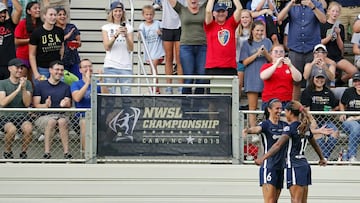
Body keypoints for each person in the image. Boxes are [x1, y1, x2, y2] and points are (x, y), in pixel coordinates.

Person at [255, 100, 330, 203]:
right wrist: (321, 158)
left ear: (290, 112)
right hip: (304, 165)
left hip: (294, 166)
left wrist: (263, 158)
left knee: (295, 200)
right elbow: (314, 144)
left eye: (285, 111)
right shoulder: (304, 127)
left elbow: (277, 145)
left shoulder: (289, 128)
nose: (284, 114)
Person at [277, 0, 326, 101]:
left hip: (312, 49)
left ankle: (310, 108)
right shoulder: (292, 5)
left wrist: (312, 6)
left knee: (314, 80)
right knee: (295, 81)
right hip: (295, 48)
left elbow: (323, 20)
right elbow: (279, 19)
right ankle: (295, 108)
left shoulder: (317, 4)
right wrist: (290, 4)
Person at [243, 98, 288, 203]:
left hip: (280, 166)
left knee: (275, 200)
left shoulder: (284, 125)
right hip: (269, 166)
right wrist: (248, 130)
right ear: (269, 109)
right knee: (269, 201)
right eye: (277, 108)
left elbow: (296, 129)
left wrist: (318, 131)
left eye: (281, 108)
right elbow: (257, 129)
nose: (279, 111)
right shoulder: (266, 124)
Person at [33, 60, 72, 159]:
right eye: (57, 69)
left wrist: (66, 103)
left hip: (61, 116)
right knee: (51, 122)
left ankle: (67, 153)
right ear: (50, 70)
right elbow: (36, 104)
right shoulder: (40, 85)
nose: (59, 72)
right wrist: (45, 105)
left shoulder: (66, 87)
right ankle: (47, 153)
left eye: (61, 70)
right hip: (44, 117)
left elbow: (68, 103)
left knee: (62, 121)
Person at [168, 0, 207, 94]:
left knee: (201, 77)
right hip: (186, 47)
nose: (193, 0)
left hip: (202, 47)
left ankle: (199, 105)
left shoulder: (204, 8)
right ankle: (186, 105)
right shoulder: (182, 9)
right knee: (188, 77)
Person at [239, 20, 272, 127]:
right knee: (252, 106)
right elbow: (244, 62)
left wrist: (265, 53)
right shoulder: (246, 44)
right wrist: (257, 54)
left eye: (262, 30)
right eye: (257, 30)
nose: (259, 32)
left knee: (268, 106)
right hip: (252, 77)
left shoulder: (267, 42)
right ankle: (253, 129)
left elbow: (272, 60)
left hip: (266, 77)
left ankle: (268, 127)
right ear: (252, 31)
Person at [301, 71, 339, 160]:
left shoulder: (328, 92)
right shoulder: (307, 92)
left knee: (335, 133)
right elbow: (305, 110)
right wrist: (312, 121)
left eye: (322, 78)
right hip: (312, 121)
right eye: (317, 78)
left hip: (326, 121)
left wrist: (331, 110)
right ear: (313, 78)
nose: (320, 80)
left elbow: (336, 106)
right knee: (318, 134)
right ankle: (324, 158)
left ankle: (324, 157)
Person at [71, 59, 108, 151]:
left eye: (90, 66)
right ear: (80, 70)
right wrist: (87, 82)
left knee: (116, 119)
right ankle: (86, 153)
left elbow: (106, 97)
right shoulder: (76, 84)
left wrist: (101, 81)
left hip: (97, 115)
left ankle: (103, 149)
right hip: (82, 116)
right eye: (85, 67)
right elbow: (77, 98)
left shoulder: (98, 83)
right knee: (85, 123)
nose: (88, 68)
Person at [0, 58, 32, 159]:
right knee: (12, 129)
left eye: (21, 68)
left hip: (22, 116)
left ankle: (23, 153)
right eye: (17, 67)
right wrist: (17, 89)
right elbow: (3, 102)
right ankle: (8, 152)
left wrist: (23, 88)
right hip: (5, 117)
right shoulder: (2, 83)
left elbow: (27, 103)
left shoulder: (27, 84)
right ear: (10, 68)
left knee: (28, 128)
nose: (20, 70)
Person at [320, 2, 357, 86]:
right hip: (325, 56)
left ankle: (338, 83)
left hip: (336, 56)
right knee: (331, 70)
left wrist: (338, 34)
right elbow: (319, 43)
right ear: (328, 12)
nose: (335, 13)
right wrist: (329, 37)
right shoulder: (322, 24)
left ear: (339, 13)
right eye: (333, 11)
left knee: (354, 72)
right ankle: (329, 87)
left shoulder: (340, 26)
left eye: (337, 11)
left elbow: (341, 47)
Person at [102, 1, 134, 94]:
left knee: (127, 97)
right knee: (110, 97)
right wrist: (116, 35)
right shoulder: (106, 27)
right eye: (115, 11)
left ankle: (127, 109)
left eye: (120, 11)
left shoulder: (129, 27)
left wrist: (126, 36)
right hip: (110, 65)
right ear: (111, 12)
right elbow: (107, 47)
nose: (118, 13)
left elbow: (131, 48)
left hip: (126, 66)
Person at [204, 0, 242, 75]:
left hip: (230, 66)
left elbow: (239, 9)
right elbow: (208, 11)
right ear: (214, 13)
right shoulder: (210, 26)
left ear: (227, 13)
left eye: (223, 11)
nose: (221, 14)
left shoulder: (231, 24)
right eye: (218, 12)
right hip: (213, 66)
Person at [29, 6, 64, 86]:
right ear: (44, 16)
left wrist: (60, 62)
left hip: (56, 68)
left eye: (55, 15)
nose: (53, 17)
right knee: (42, 93)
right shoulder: (37, 32)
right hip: (42, 68)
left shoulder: (59, 31)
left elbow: (62, 48)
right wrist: (35, 72)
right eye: (51, 15)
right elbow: (32, 54)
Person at [260, 44, 302, 109]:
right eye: (276, 51)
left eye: (281, 51)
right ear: (271, 54)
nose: (279, 53)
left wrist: (290, 65)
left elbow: (298, 78)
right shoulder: (267, 66)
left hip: (286, 101)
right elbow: (263, 76)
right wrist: (276, 64)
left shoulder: (288, 67)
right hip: (269, 101)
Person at [138, 5, 164, 93]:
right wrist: (139, 34)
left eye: (151, 14)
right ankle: (154, 86)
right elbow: (140, 36)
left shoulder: (158, 23)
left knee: (154, 66)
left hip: (158, 51)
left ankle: (155, 87)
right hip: (149, 52)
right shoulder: (142, 25)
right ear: (143, 15)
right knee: (152, 69)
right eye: (147, 14)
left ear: (154, 14)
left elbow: (165, 34)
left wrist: (160, 33)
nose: (149, 16)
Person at [160, 0, 184, 94]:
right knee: (169, 58)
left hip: (180, 26)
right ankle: (168, 86)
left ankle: (181, 86)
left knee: (179, 59)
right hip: (167, 26)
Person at [14, 1, 42, 81]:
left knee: (33, 82)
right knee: (21, 80)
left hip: (37, 57)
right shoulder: (22, 23)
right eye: (35, 8)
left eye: (39, 8)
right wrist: (31, 40)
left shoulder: (42, 24)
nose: (38, 10)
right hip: (23, 56)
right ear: (28, 11)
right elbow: (16, 41)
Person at [339, 72, 360, 162]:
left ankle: (346, 154)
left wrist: (355, 118)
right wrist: (342, 113)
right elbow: (341, 102)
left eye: (359, 81)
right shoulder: (349, 91)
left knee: (357, 128)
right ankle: (352, 156)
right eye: (355, 81)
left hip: (354, 119)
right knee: (355, 127)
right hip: (349, 122)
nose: (358, 83)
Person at [56, 6, 81, 79]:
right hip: (61, 60)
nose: (62, 16)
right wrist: (66, 37)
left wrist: (76, 44)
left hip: (74, 59)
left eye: (64, 14)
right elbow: (56, 42)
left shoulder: (72, 27)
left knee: (77, 79)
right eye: (60, 15)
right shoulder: (54, 29)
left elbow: (80, 43)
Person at [0, 0, 22, 80]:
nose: (3, 14)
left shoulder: (9, 24)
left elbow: (19, 10)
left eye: (4, 12)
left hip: (9, 64)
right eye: (0, 12)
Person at [236, 9, 252, 97]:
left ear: (250, 19)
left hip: (252, 61)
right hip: (239, 60)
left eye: (247, 17)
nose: (244, 19)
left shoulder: (254, 31)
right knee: (239, 84)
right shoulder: (236, 31)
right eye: (242, 17)